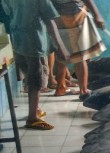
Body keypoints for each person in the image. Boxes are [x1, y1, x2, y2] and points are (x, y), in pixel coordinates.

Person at [1, 0, 70, 130]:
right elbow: (50, 21)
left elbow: (7, 12)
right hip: (34, 39)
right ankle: (32, 118)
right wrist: (61, 46)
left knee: (28, 73)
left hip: (18, 38)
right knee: (36, 79)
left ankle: (35, 109)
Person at [51, 0, 105, 99]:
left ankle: (60, 87)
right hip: (74, 16)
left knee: (61, 53)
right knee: (80, 56)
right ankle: (83, 90)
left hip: (57, 17)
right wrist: (97, 15)